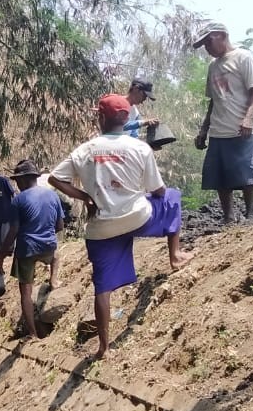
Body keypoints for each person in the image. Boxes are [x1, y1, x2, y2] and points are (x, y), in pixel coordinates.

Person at [48, 94, 195, 360]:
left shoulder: (85, 150)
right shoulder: (140, 148)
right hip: (138, 217)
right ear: (127, 118)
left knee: (102, 288)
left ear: (101, 118)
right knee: (172, 197)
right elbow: (159, 190)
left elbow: (56, 179)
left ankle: (104, 348)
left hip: (102, 228)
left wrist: (86, 198)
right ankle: (175, 256)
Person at [192, 22, 253, 223]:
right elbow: (213, 100)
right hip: (218, 130)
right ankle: (228, 217)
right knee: (220, 176)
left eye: (209, 41)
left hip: (241, 128)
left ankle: (250, 215)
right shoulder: (213, 67)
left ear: (222, 36)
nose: (207, 48)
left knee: (247, 172)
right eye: (204, 44)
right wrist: (204, 130)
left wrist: (248, 118)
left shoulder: (243, 57)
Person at [2, 159, 65, 338]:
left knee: (25, 292)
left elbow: (12, 231)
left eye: (17, 180)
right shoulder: (53, 195)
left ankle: (32, 333)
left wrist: (0, 256)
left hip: (26, 250)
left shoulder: (18, 200)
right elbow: (59, 226)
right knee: (55, 256)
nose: (17, 184)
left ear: (22, 180)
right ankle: (53, 280)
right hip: (48, 246)